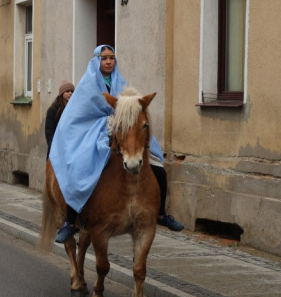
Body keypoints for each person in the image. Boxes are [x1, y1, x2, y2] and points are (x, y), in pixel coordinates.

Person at [49, 45, 184, 245]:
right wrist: (106, 122)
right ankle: (70, 221)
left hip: (123, 129)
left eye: (112, 58)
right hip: (92, 131)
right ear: (97, 61)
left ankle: (162, 214)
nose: (109, 61)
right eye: (104, 58)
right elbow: (78, 115)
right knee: (78, 167)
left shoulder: (120, 82)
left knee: (157, 164)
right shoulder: (87, 85)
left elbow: (131, 106)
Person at [44, 81, 75, 153]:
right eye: (67, 91)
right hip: (57, 148)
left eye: (72, 91)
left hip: (71, 148)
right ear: (62, 93)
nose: (70, 93)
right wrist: (53, 148)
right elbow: (49, 132)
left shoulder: (75, 108)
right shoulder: (53, 110)